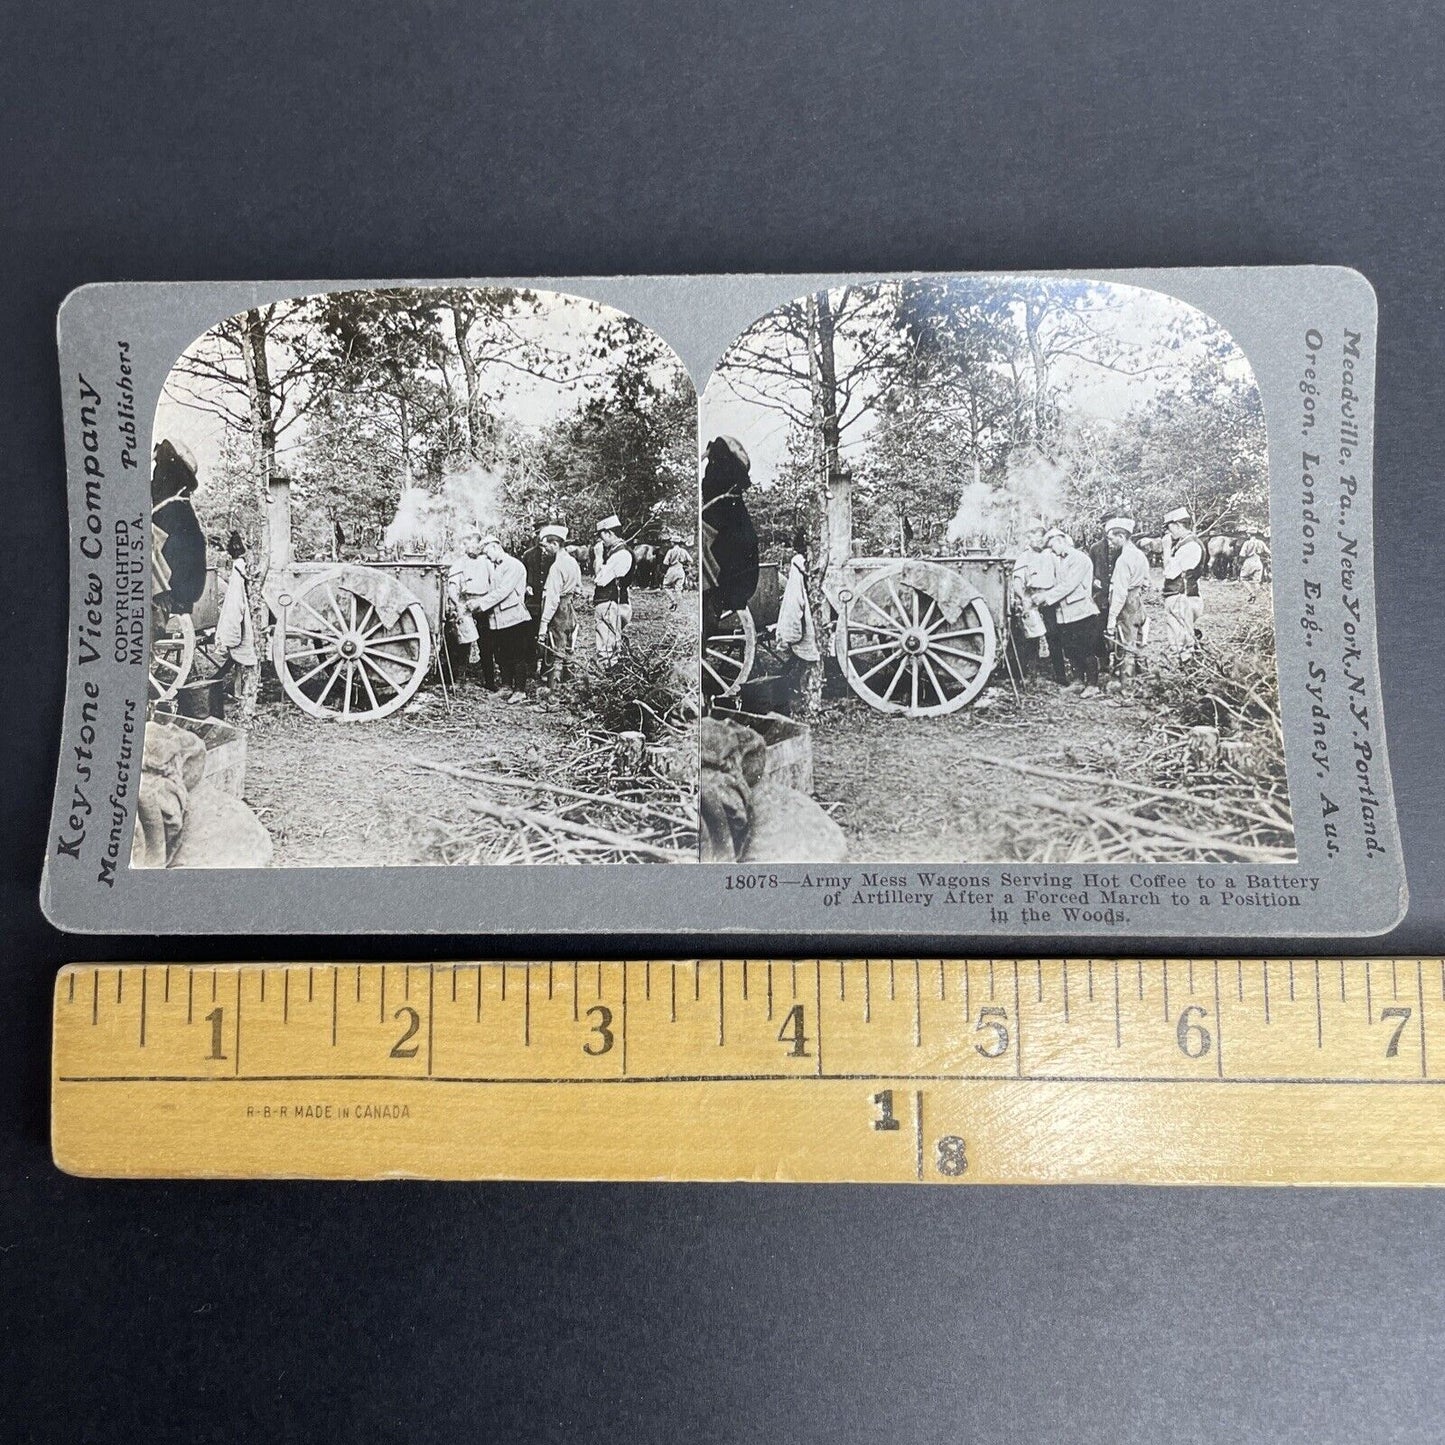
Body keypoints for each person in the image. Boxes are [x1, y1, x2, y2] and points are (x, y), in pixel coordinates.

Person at [1030, 529, 1102, 695]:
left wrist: (1045, 597)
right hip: (1065, 613)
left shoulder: (1080, 559)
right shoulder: (1061, 560)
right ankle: (1078, 681)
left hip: (1081, 611)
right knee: (1071, 649)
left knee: (1086, 648)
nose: (1052, 550)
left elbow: (1068, 585)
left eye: (1052, 545)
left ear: (1061, 540)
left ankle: (1092, 684)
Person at [472, 536, 532, 701]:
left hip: (514, 617)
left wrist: (480, 603)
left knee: (517, 654)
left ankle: (520, 690)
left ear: (495, 547)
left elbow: (502, 592)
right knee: (503, 654)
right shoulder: (497, 567)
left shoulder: (513, 565)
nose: (487, 557)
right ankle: (506, 687)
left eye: (487, 552)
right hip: (499, 619)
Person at [214, 533, 260, 723]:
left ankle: (242, 695)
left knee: (240, 646)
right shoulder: (239, 570)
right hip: (241, 621)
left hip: (241, 626)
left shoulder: (238, 572)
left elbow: (234, 607)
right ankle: (238, 690)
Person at [773, 529, 820, 714]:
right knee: (802, 655)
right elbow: (794, 599)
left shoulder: (807, 564)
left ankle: (787, 683)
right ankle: (787, 687)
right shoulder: (799, 565)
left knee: (800, 660)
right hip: (804, 616)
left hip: (810, 611)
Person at [1012, 523, 1064, 684]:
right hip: (1031, 599)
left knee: (1054, 636)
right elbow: (1017, 580)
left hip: (1049, 599)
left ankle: (1060, 675)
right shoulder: (1024, 556)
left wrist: (1053, 596)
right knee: (1030, 638)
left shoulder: (1051, 555)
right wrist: (1023, 598)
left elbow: (1061, 578)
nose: (1036, 539)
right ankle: (1030, 674)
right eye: (1032, 535)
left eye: (1040, 535)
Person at [1102, 517, 1150, 681]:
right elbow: (1146, 582)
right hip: (1137, 601)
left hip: (1126, 604)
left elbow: (1120, 593)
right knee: (1137, 640)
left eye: (1112, 538)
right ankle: (1143, 679)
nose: (1111, 543)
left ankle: (1126, 686)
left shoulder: (1123, 560)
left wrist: (1111, 618)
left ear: (1121, 536)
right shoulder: (1140, 555)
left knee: (1124, 643)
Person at [447, 527, 496, 688]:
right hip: (465, 606)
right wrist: (457, 604)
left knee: (486, 644)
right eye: (467, 541)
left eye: (475, 541)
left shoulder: (487, 562)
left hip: (483, 606)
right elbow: (452, 587)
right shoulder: (459, 562)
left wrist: (487, 603)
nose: (471, 545)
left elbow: (494, 585)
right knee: (462, 644)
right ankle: (459, 679)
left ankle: (490, 680)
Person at [537, 523, 582, 689]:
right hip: (569, 608)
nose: (545, 550)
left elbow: (552, 600)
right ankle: (569, 688)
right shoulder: (572, 562)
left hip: (558, 612)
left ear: (555, 544)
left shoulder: (556, 567)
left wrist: (543, 625)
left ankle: (553, 696)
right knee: (568, 648)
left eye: (546, 546)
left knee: (555, 650)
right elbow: (579, 588)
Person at [1161, 506, 1207, 659]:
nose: (1169, 533)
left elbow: (1169, 572)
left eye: (1169, 528)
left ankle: (1186, 673)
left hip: (1181, 597)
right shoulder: (1188, 543)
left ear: (1177, 525)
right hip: (1186, 595)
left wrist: (1166, 549)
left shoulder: (1190, 546)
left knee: (1180, 641)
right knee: (1182, 637)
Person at [592, 514, 634, 664]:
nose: (600, 541)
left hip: (610, 603)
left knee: (606, 647)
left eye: (601, 536)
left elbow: (600, 579)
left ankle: (608, 678)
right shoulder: (617, 552)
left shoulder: (621, 554)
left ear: (609, 533)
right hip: (615, 602)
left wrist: (598, 557)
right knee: (612, 643)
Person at [520, 521, 551, 685]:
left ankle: (547, 670)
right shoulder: (528, 555)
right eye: (539, 534)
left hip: (549, 602)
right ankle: (531, 668)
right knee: (529, 636)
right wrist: (526, 587)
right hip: (532, 603)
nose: (541, 538)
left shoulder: (554, 555)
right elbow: (522, 576)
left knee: (548, 637)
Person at [1239, 528, 1270, 597]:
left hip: (1249, 561)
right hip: (1258, 562)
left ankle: (1252, 593)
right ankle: (1258, 596)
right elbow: (1268, 552)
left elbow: (1242, 554)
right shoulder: (1261, 542)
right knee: (1257, 581)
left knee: (1243, 578)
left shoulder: (1247, 543)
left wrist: (1241, 562)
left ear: (1249, 534)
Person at [662, 538, 691, 610]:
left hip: (672, 569)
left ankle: (673, 601)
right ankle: (681, 605)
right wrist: (685, 564)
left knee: (665, 586)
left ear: (673, 543)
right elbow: (690, 560)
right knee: (678, 588)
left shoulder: (670, 551)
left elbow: (665, 562)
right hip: (681, 570)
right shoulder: (683, 551)